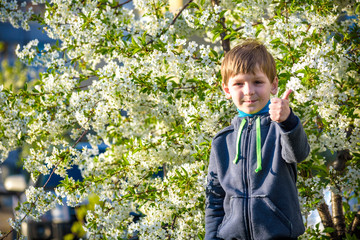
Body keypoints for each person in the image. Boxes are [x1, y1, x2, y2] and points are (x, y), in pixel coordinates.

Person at [205, 39, 310, 240]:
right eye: (238, 84)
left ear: (274, 84)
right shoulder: (221, 142)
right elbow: (215, 199)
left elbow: (299, 153)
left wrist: (288, 120)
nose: (249, 91)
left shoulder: (281, 129)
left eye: (258, 82)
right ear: (227, 90)